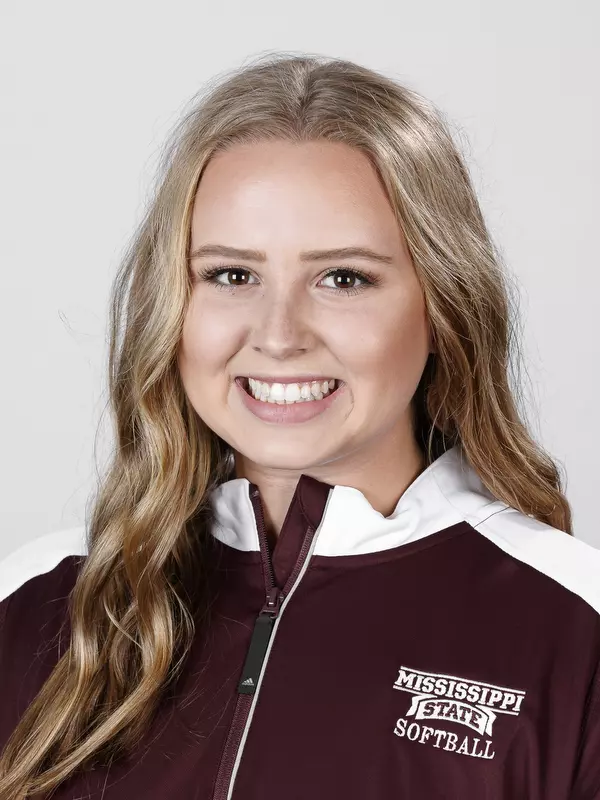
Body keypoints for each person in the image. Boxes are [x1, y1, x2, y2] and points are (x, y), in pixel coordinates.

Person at [0, 52, 598, 800]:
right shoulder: (34, 601)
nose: (279, 335)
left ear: (445, 306)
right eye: (231, 275)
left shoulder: (577, 627)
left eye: (343, 278)